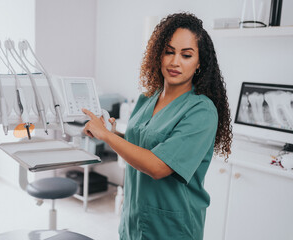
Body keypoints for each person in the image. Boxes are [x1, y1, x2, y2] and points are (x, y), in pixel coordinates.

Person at [82, 12, 232, 240]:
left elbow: (158, 166)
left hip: (172, 228)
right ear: (158, 54)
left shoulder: (201, 111)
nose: (175, 62)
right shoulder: (147, 99)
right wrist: (111, 132)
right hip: (134, 221)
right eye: (169, 52)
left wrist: (108, 137)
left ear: (199, 62)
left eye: (186, 55)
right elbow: (140, 144)